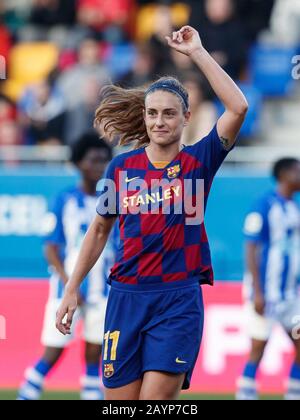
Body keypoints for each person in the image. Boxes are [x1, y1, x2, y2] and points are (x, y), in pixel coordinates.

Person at [56, 25, 248, 400]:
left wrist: (197, 52)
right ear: (143, 117)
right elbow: (98, 231)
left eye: (169, 114)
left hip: (177, 300)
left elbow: (238, 107)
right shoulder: (121, 169)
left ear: (186, 116)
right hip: (125, 297)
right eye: (152, 113)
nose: (160, 121)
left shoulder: (198, 162)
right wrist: (71, 288)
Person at [18, 132, 116, 400]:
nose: (99, 167)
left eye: (104, 161)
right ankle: (27, 392)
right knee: (54, 348)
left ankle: (91, 394)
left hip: (103, 290)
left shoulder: (112, 201)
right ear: (78, 163)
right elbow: (51, 246)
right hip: (67, 290)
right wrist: (68, 283)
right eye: (93, 160)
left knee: (96, 349)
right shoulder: (65, 200)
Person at [236, 158, 300, 400]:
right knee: (258, 347)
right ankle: (246, 393)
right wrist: (258, 291)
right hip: (266, 293)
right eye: (298, 171)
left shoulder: (293, 207)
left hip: (290, 296)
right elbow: (251, 247)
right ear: (285, 175)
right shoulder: (264, 205)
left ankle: (294, 393)